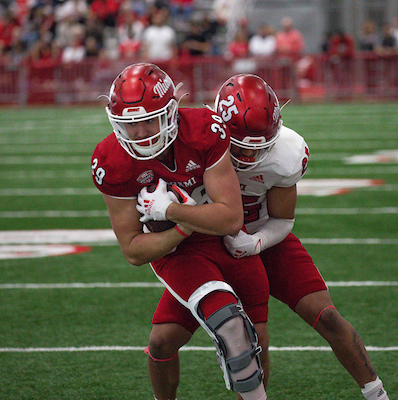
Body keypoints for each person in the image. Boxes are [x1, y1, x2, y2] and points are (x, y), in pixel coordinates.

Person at [147, 74, 390, 400]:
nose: (248, 158)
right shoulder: (199, 139)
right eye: (241, 147)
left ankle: (377, 395)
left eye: (258, 148)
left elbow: (282, 219)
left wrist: (257, 242)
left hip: (263, 236)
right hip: (205, 242)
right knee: (163, 340)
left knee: (325, 318)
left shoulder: (285, 153)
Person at [91, 63, 270, 400]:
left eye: (149, 120)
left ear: (172, 111)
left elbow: (231, 217)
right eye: (131, 125)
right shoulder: (110, 159)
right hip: (173, 250)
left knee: (165, 339)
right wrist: (183, 228)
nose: (142, 133)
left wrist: (171, 211)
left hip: (225, 238)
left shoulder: (203, 129)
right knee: (230, 326)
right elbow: (133, 250)